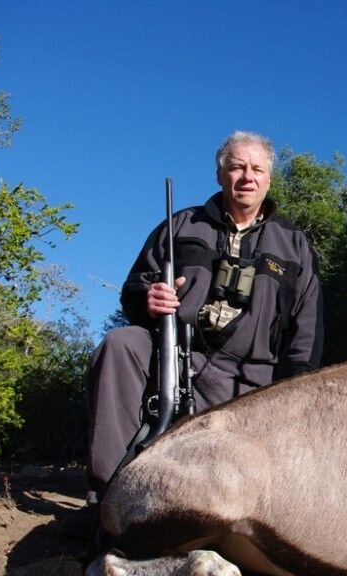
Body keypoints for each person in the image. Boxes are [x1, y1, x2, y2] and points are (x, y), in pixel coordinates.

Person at [84, 131, 323, 504]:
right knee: (121, 344)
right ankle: (108, 496)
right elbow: (133, 288)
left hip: (252, 377)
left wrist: (295, 391)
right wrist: (149, 297)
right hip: (177, 359)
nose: (247, 176)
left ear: (269, 179)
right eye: (237, 167)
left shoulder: (294, 244)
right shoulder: (181, 224)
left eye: (257, 169)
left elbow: (306, 329)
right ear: (220, 174)